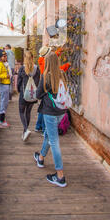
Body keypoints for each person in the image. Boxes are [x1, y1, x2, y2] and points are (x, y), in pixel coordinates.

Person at [34, 52, 69, 187]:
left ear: (47, 63)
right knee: (49, 135)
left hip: (49, 111)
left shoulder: (46, 76)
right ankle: (41, 158)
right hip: (61, 111)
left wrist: (44, 92)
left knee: (54, 142)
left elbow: (38, 95)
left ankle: (60, 176)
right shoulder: (62, 74)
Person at [17, 51, 40, 142]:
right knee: (28, 112)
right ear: (33, 57)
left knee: (21, 112)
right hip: (32, 94)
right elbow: (38, 82)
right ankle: (25, 132)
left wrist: (19, 91)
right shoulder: (36, 69)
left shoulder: (22, 69)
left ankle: (26, 130)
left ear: (24, 58)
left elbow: (19, 82)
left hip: (24, 94)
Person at [0, 49, 11, 128]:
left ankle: (2, 120)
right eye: (4, 56)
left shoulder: (2, 64)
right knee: (3, 102)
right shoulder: (0, 65)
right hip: (4, 85)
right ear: (0, 57)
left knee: (5, 102)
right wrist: (6, 76)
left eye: (6, 56)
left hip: (5, 85)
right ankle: (1, 121)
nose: (5, 57)